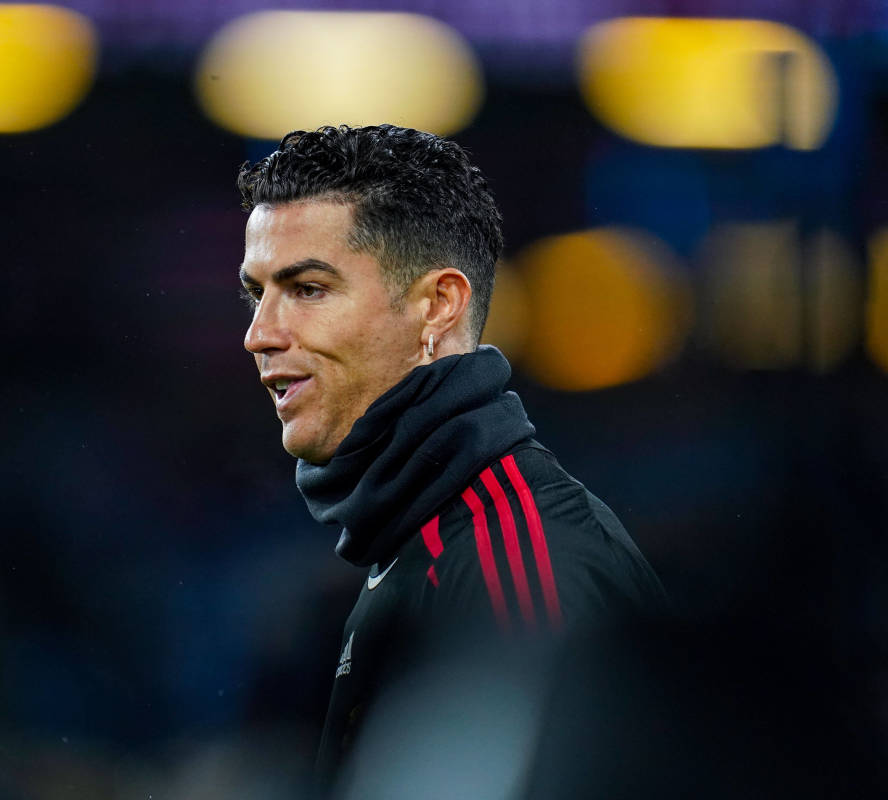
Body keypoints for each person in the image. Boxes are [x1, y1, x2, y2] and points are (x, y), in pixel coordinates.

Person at [235, 124, 666, 793]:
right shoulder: (424, 534)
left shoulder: (512, 560)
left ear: (437, 305)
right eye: (256, 293)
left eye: (308, 288)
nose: (259, 334)